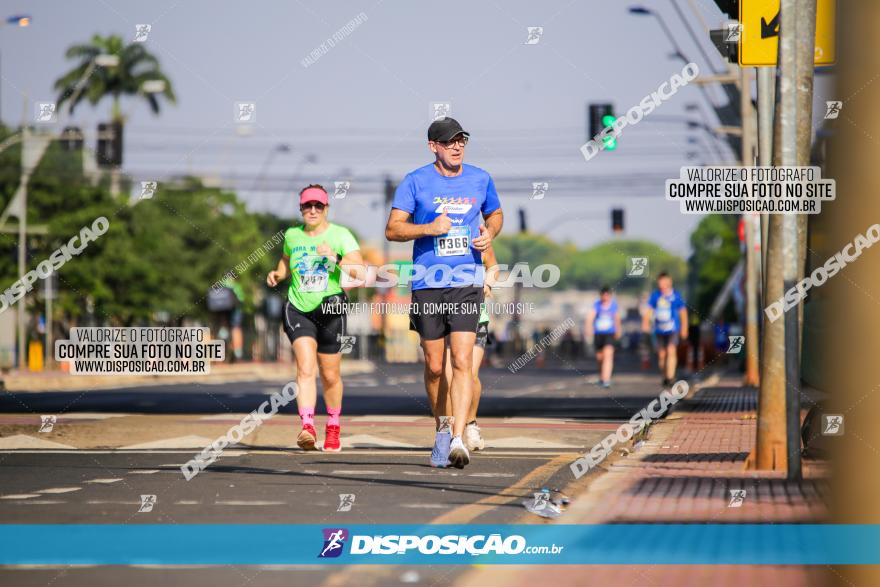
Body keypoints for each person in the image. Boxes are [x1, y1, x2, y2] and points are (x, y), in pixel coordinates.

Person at [385, 117, 503, 469]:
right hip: (427, 284)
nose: (457, 146)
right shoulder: (415, 181)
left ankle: (459, 437)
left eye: (461, 140)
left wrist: (490, 234)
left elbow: (495, 214)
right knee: (435, 367)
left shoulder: (480, 178)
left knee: (463, 362)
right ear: (433, 146)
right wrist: (428, 228)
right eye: (449, 141)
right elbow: (392, 229)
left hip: (466, 281)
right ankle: (441, 427)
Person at [267, 185, 364, 452]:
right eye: (307, 206)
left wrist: (335, 257)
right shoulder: (292, 235)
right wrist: (278, 274)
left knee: (330, 374)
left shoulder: (341, 235)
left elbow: (360, 272)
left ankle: (333, 427)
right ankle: (307, 427)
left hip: (331, 308)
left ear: (325, 209)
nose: (312, 210)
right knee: (305, 367)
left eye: (317, 206)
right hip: (298, 307)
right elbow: (286, 260)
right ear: (300, 209)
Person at [440, 243, 498, 452]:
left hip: (476, 316)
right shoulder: (441, 242)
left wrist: (488, 285)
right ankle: (450, 433)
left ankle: (471, 424)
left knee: (469, 373)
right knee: (447, 376)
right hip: (445, 315)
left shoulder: (479, 242)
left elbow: (493, 268)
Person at [642, 272, 688, 387]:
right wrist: (645, 323)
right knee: (662, 354)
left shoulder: (676, 295)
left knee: (671, 350)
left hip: (673, 329)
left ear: (669, 282)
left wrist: (684, 328)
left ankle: (671, 377)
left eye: (663, 281)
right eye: (659, 282)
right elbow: (648, 311)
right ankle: (665, 376)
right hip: (658, 330)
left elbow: (683, 313)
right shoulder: (655, 296)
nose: (661, 284)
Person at [585, 286, 622, 388]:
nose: (605, 297)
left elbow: (617, 319)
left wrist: (618, 331)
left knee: (608, 355)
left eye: (607, 295)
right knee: (600, 358)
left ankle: (606, 380)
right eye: (603, 295)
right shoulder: (597, 305)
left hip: (609, 334)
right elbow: (590, 317)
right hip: (598, 334)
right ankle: (602, 377)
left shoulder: (613, 306)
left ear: (610, 295)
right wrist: (588, 328)